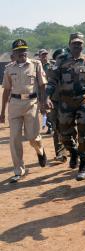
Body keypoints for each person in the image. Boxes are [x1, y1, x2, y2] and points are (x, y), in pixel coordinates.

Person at [46, 32, 85, 181]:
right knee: (64, 135)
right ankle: (74, 152)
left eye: (80, 43)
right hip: (66, 102)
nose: (77, 46)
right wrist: (46, 96)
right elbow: (52, 81)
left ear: (83, 45)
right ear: (69, 45)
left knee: (84, 135)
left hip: (84, 100)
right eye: (74, 43)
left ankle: (83, 165)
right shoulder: (61, 61)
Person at [0, 39, 48, 183]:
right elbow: (6, 91)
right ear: (13, 53)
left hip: (31, 104)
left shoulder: (36, 64)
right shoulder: (9, 68)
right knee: (14, 138)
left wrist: (44, 102)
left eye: (24, 50)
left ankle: (40, 150)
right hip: (14, 105)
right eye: (19, 51)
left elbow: (42, 85)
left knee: (32, 136)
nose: (22, 53)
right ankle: (18, 170)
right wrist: (2, 112)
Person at [45, 48, 67, 162]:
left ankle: (72, 150)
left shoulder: (71, 68)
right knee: (57, 128)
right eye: (60, 58)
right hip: (55, 102)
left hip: (69, 102)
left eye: (64, 57)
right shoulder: (51, 69)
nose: (63, 60)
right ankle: (60, 153)